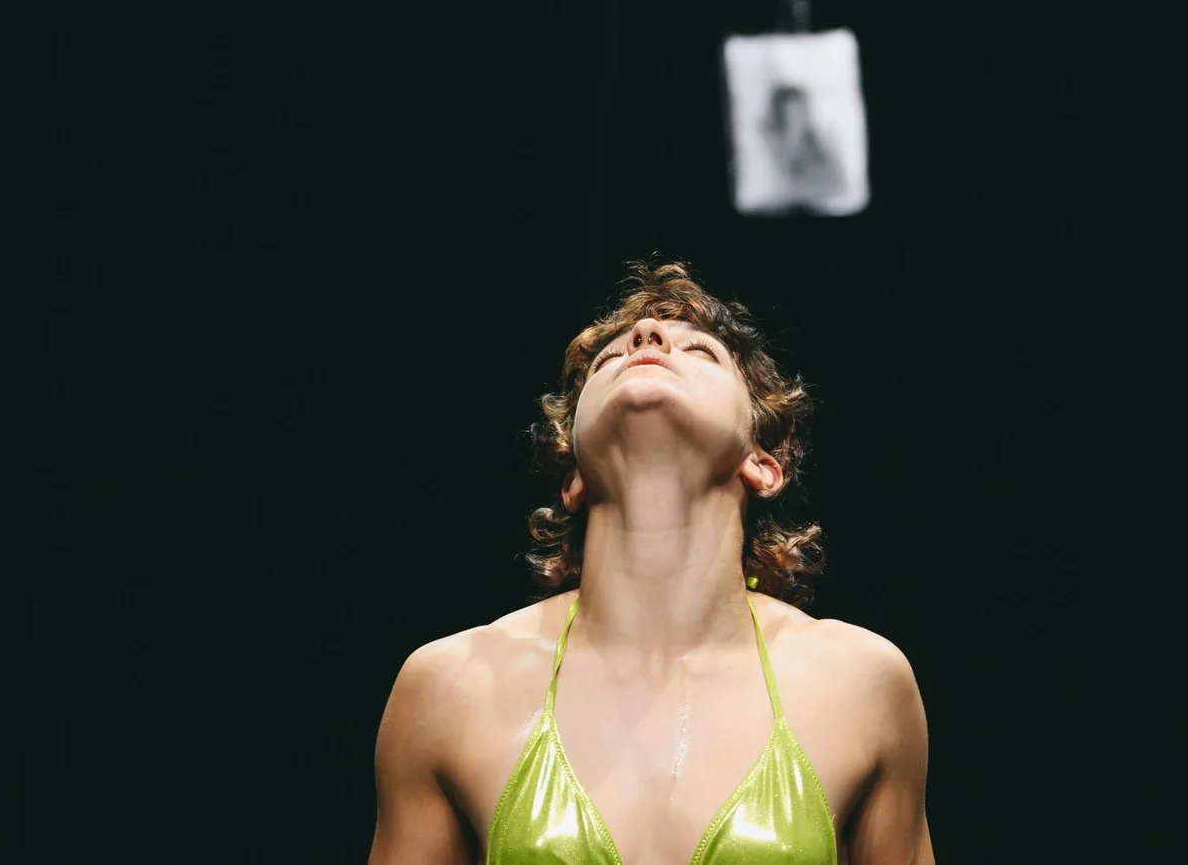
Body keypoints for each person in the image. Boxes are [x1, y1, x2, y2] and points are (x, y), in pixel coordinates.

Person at [368, 261, 936, 865]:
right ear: (573, 477)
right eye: (611, 357)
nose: (646, 337)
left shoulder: (860, 685)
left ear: (762, 463)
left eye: (700, 351)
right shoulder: (451, 689)